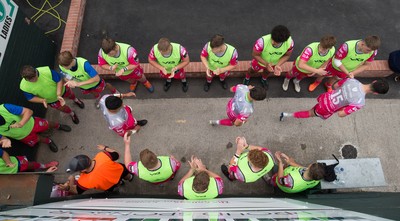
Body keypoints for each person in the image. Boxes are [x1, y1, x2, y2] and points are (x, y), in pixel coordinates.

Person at [280, 78, 389, 121]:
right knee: (310, 113)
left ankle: (287, 114)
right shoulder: (360, 102)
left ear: (374, 81)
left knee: (314, 108)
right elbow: (341, 114)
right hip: (327, 108)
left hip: (325, 97)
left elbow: (336, 85)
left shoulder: (352, 80)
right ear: (375, 93)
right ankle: (287, 115)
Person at [315, 36, 380, 92]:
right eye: (368, 50)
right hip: (334, 66)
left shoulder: (373, 51)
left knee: (336, 78)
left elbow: (367, 64)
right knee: (323, 74)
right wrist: (347, 73)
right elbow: (337, 61)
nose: (369, 53)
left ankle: (328, 85)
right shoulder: (347, 46)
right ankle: (316, 82)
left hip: (347, 71)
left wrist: (353, 73)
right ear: (362, 44)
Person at [63, 144, 134, 195]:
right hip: (120, 170)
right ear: (88, 158)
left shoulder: (84, 181)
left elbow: (77, 191)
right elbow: (117, 154)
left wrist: (68, 186)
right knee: (126, 175)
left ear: (83, 170)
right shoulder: (102, 156)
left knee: (116, 184)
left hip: (109, 185)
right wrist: (105, 148)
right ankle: (130, 177)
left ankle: (120, 183)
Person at [0, 103, 71, 152]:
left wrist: (21, 123)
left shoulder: (4, 108)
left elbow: (29, 111)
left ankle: (59, 126)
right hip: (22, 136)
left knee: (47, 124)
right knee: (38, 139)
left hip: (32, 123)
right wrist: (5, 140)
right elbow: (2, 138)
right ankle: (49, 141)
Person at [243, 25, 294, 90]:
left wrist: (278, 65)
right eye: (272, 39)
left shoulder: (290, 43)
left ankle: (263, 79)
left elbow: (287, 55)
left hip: (273, 64)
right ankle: (247, 78)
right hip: (259, 62)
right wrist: (266, 64)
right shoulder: (261, 42)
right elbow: (255, 55)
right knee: (252, 71)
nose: (272, 42)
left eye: (275, 42)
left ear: (283, 42)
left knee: (267, 72)